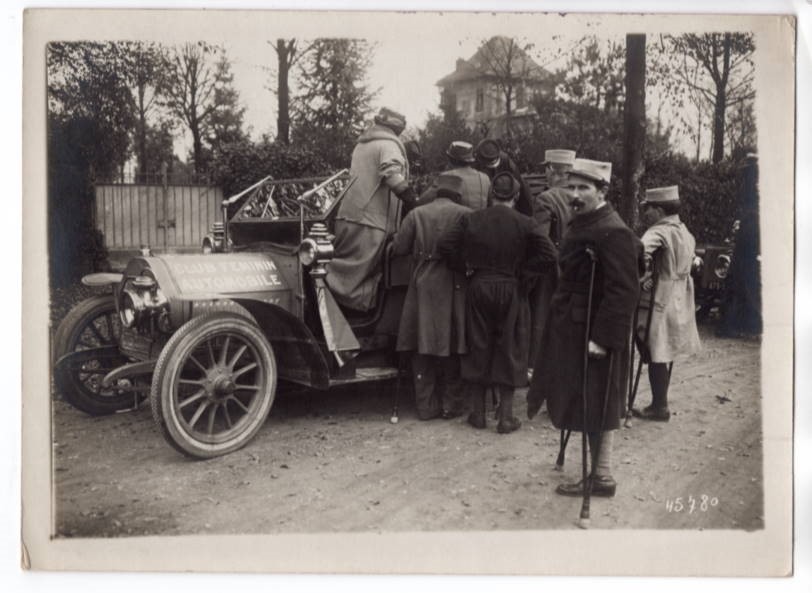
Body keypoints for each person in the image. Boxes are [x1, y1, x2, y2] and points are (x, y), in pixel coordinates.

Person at [527, 159, 641, 498]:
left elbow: (624, 290)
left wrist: (602, 340)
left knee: (597, 401)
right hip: (572, 325)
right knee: (581, 398)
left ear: (602, 191)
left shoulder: (613, 230)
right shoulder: (583, 221)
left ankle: (602, 476)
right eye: (571, 187)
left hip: (593, 331)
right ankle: (597, 472)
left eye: (583, 188)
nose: (574, 195)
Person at [438, 172, 557, 434]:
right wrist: (526, 274)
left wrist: (465, 267)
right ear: (515, 197)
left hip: (479, 286)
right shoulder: (526, 222)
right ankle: (505, 418)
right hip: (511, 287)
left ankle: (478, 415)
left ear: (491, 195)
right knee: (510, 348)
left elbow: (444, 245)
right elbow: (549, 254)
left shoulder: (471, 218)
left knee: (478, 345)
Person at [392, 174, 471, 420]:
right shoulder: (466, 214)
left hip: (423, 281)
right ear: (458, 194)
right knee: (453, 342)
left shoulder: (417, 213)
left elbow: (399, 248)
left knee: (421, 343)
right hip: (455, 282)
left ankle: (425, 407)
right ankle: (451, 405)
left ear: (437, 192)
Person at [326, 107, 416, 312]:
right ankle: (359, 321)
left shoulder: (361, 145)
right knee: (359, 276)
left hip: (348, 216)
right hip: (372, 221)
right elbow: (391, 174)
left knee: (346, 271)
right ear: (396, 128)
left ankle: (333, 312)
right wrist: (410, 198)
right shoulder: (389, 145)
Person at [632, 185, 701, 421]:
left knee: (652, 347)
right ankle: (659, 403)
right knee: (664, 348)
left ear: (659, 210)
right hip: (680, 295)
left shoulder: (657, 232)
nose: (646, 214)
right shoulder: (684, 231)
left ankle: (658, 406)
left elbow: (637, 254)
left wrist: (645, 278)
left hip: (660, 296)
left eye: (648, 209)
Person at [529, 149, 577, 366]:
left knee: (543, 320)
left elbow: (539, 240)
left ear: (552, 170)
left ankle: (542, 371)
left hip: (552, 270)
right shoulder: (583, 196)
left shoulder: (546, 199)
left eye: (545, 169)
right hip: (579, 268)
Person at [417, 141, 490, 211]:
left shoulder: (447, 176)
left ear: (451, 159)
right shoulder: (485, 178)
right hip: (482, 222)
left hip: (457, 222)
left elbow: (423, 202)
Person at [473, 139, 534, 217]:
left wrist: (526, 217)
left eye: (494, 162)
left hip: (505, 197)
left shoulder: (505, 159)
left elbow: (519, 184)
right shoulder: (475, 162)